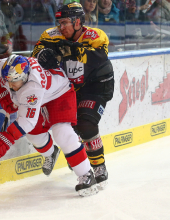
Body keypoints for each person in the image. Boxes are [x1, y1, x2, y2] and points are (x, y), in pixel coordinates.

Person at [0, 54, 98, 196]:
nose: (10, 85)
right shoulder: (4, 67)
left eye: (15, 81)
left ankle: (87, 175)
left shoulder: (33, 85)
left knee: (62, 133)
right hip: (41, 97)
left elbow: (27, 121)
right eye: (8, 81)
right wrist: (1, 91)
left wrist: (6, 138)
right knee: (34, 135)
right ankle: (51, 154)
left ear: (26, 76)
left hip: (60, 93)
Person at [31, 2, 114, 189]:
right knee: (70, 128)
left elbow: (99, 57)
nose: (61, 27)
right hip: (69, 89)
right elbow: (35, 53)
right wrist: (45, 55)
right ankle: (81, 159)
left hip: (96, 85)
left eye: (65, 22)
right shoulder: (51, 35)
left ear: (77, 22)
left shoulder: (96, 35)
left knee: (86, 123)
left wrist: (72, 49)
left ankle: (99, 166)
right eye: (59, 22)